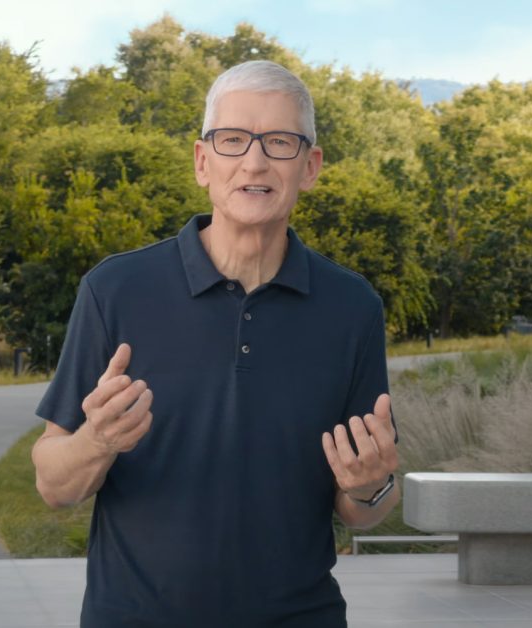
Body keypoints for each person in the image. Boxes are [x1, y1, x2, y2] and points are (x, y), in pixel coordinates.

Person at [32, 59, 399, 628]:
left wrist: (370, 486)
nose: (254, 161)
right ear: (203, 161)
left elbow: (362, 508)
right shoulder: (115, 290)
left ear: (310, 167)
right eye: (232, 140)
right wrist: (96, 441)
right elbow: (54, 486)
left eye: (280, 142)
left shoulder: (352, 307)